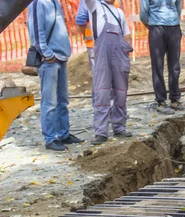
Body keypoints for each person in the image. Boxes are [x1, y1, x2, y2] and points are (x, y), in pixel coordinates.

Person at [27, 0, 84, 151]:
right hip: (49, 60)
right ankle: (50, 139)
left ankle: (63, 134)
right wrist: (47, 54)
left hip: (61, 57)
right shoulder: (38, 3)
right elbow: (36, 34)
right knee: (49, 102)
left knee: (62, 100)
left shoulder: (55, 2)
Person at [83, 0, 133, 145]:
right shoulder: (95, 7)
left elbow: (127, 35)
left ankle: (119, 127)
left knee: (121, 92)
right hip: (102, 56)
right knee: (102, 92)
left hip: (120, 56)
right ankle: (101, 133)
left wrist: (126, 53)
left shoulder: (119, 12)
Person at [140, 0, 183, 114]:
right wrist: (153, 25)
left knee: (174, 65)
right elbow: (143, 13)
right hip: (156, 28)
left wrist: (173, 21)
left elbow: (178, 7)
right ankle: (161, 101)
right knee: (157, 65)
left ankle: (175, 99)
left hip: (174, 27)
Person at [75, 0, 121, 72]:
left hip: (95, 45)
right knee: (115, 74)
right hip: (115, 44)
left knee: (100, 77)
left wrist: (85, 35)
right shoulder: (116, 2)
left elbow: (81, 20)